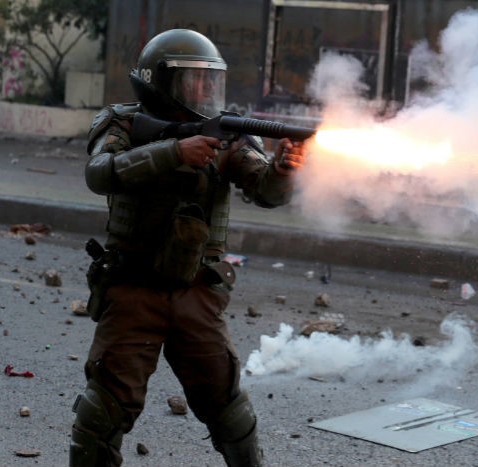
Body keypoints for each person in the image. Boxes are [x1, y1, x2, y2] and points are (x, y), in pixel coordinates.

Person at [70, 28, 305, 467]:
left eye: (208, 79)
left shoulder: (229, 135)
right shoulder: (121, 122)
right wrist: (174, 152)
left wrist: (283, 169)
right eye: (190, 79)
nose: (202, 89)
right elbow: (99, 172)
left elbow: (266, 191)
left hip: (198, 291)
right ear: (158, 81)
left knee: (228, 408)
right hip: (132, 286)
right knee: (103, 412)